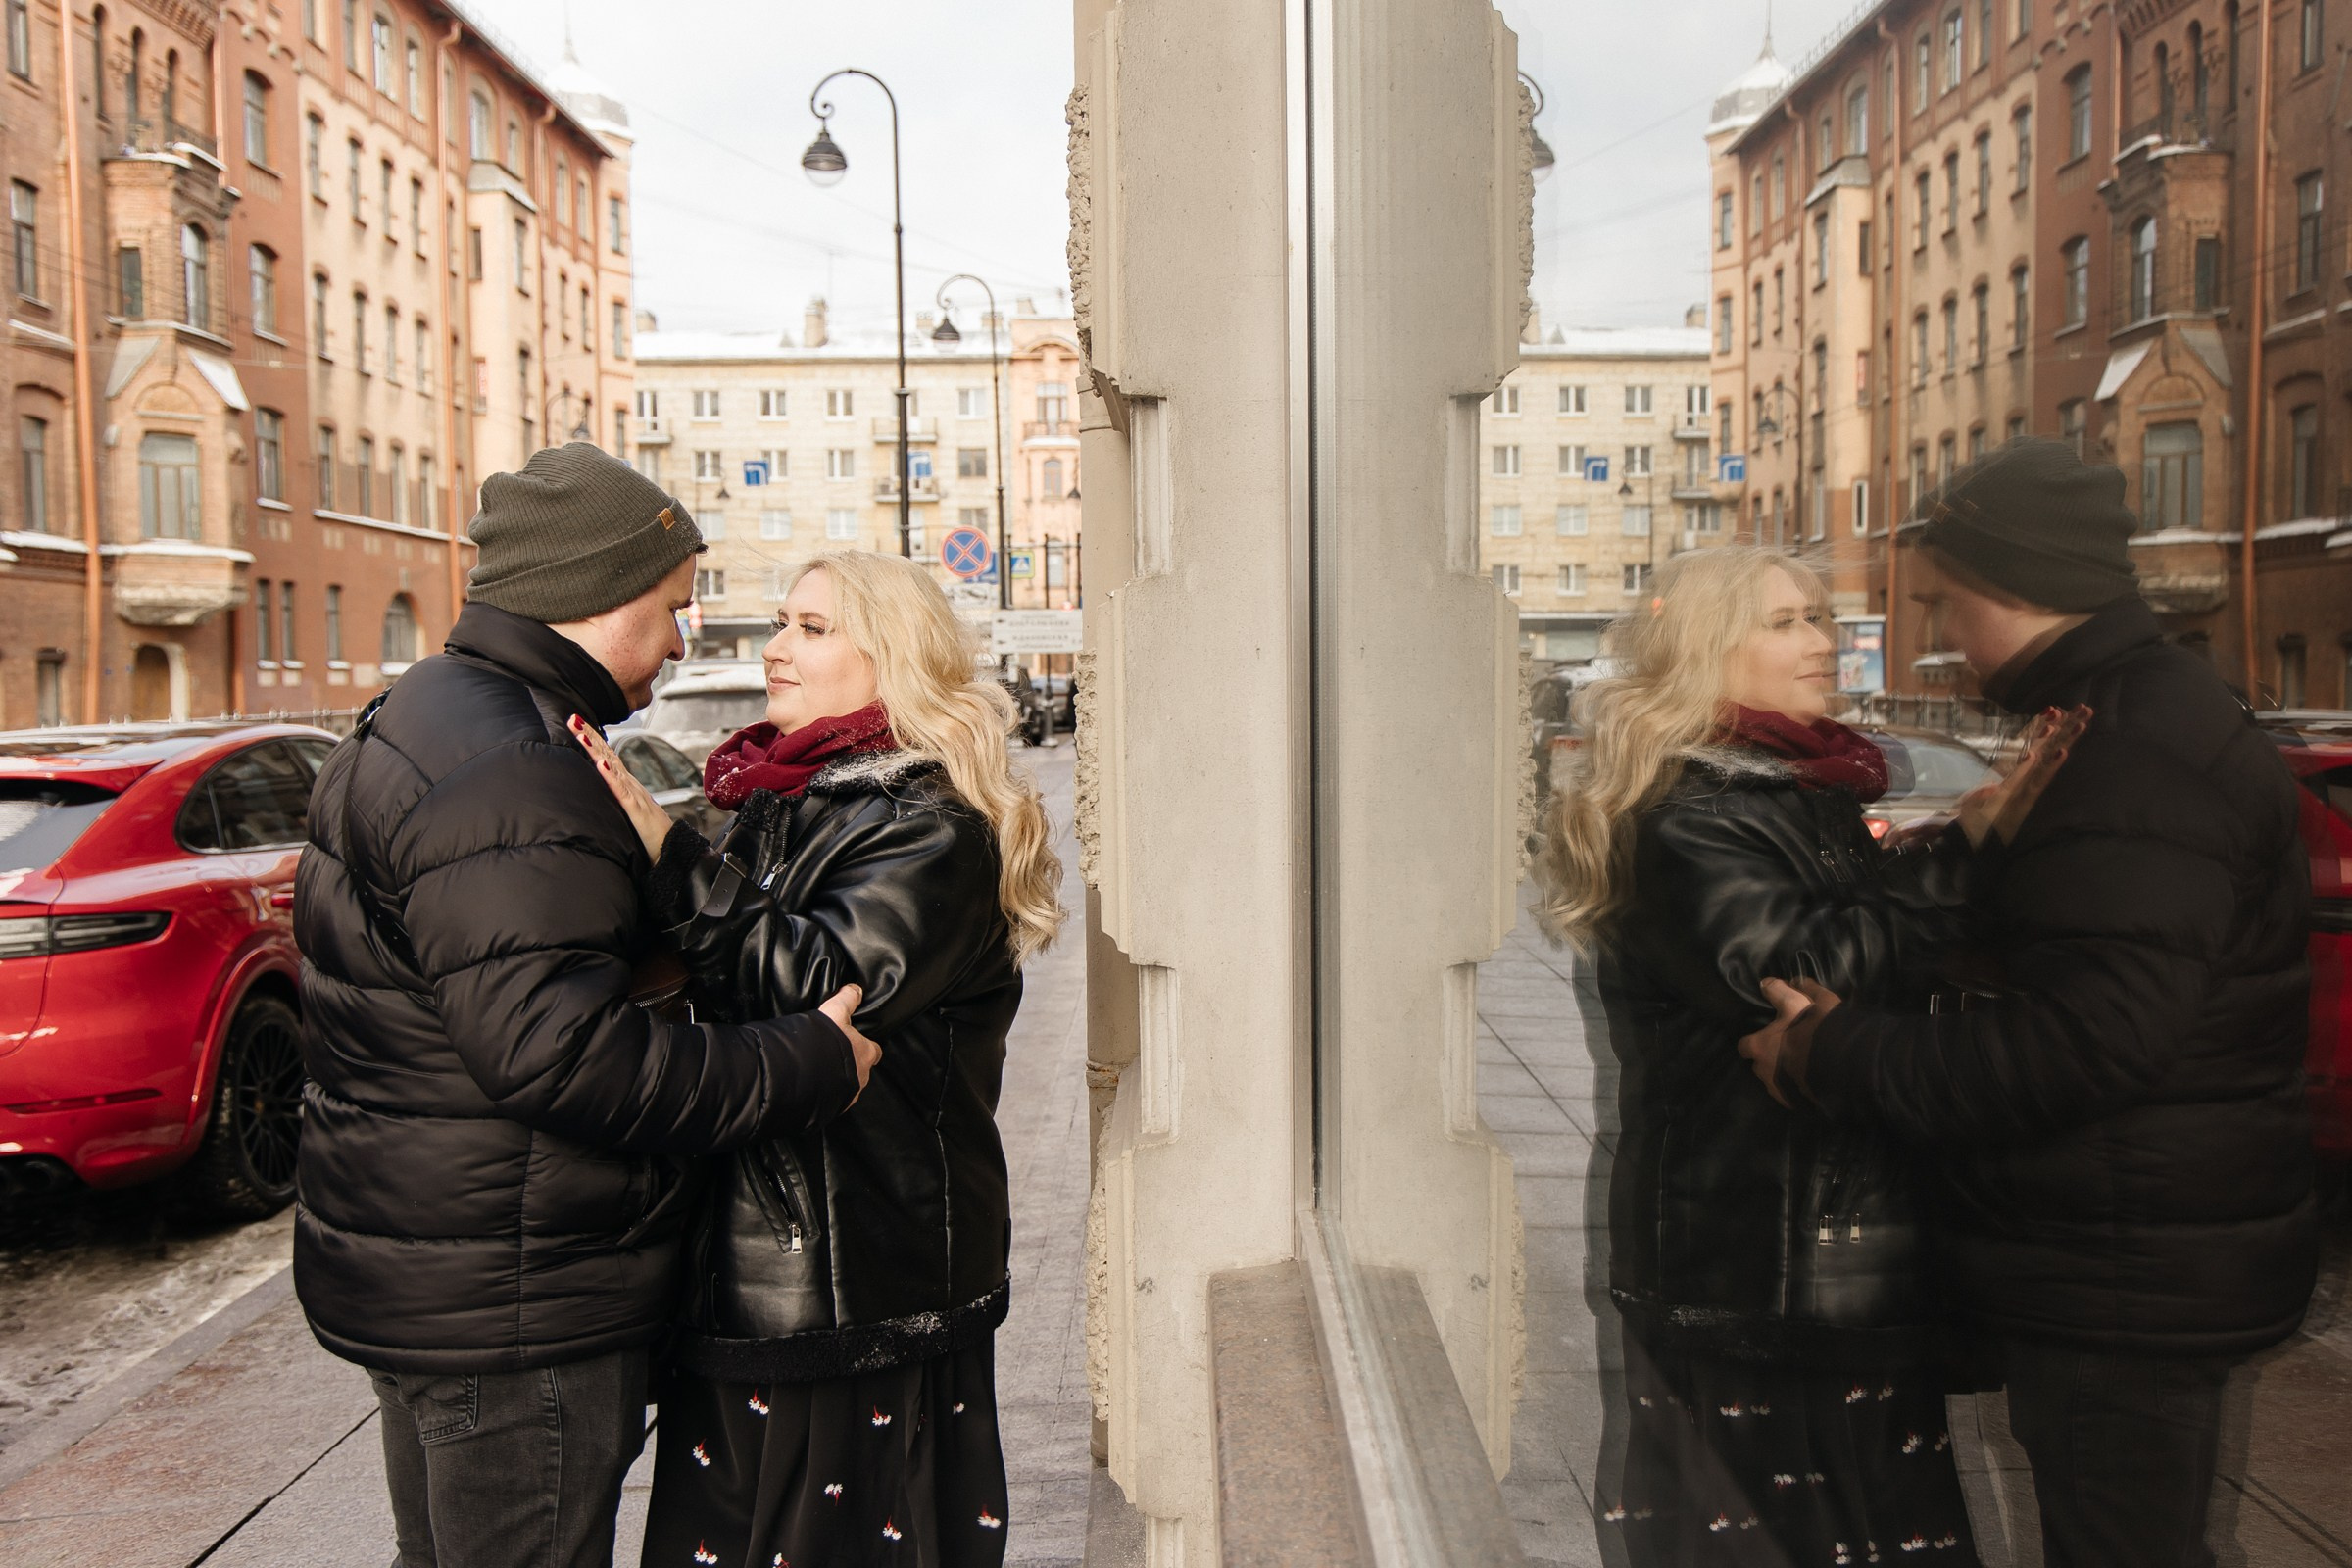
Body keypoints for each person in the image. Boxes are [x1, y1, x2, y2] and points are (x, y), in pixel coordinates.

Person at [294, 444, 882, 1568]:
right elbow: (559, 1054)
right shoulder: (511, 761)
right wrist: (802, 1057)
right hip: (516, 1304)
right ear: (596, 593)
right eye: (671, 603)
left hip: (446, 1271)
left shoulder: (434, 713)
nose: (685, 632)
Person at [1740, 438, 2319, 1568]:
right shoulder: (2118, 719)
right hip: (2128, 1249)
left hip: (2126, 1271)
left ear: (2015, 583)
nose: (1945, 636)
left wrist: (1834, 1052)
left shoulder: (2135, 746)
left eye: (1953, 600)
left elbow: (2082, 1043)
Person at [1538, 545, 2070, 1566]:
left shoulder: (1795, 789)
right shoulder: (1689, 815)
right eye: (1785, 622)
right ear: (1705, 651)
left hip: (1822, 1256)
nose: (1823, 642)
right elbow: (1802, 974)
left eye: (1820, 617)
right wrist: (1965, 854)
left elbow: (1854, 933)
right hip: (1755, 1268)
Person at [572, 549, 1062, 1568]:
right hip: (758, 1262)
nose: (776, 648)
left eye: (812, 626)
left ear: (895, 658)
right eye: (781, 623)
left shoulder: (928, 823)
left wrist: (669, 855)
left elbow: (825, 990)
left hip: (855, 1276)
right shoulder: (783, 799)